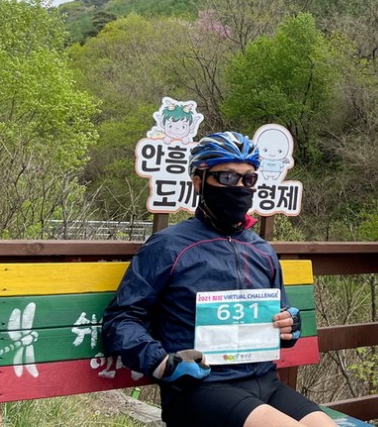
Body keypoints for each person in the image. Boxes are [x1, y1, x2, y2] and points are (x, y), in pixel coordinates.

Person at [102, 131, 337, 427]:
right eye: (226, 177)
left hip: (265, 382)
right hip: (200, 388)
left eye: (248, 179)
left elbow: (282, 318)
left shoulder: (262, 250)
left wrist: (289, 325)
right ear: (199, 181)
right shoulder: (168, 246)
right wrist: (161, 362)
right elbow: (121, 319)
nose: (239, 187)